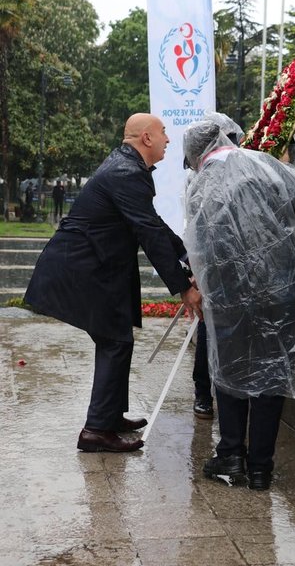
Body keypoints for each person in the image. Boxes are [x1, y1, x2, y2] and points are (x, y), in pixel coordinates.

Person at [25, 113, 203, 453]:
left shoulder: (129, 168)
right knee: (114, 341)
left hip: (95, 266)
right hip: (82, 268)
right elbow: (148, 233)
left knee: (117, 339)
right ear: (146, 139)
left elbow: (154, 224)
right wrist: (184, 286)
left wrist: (188, 258)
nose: (168, 139)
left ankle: (109, 417)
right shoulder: (125, 172)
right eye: (163, 132)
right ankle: (95, 431)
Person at [183, 121, 295, 490]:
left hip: (231, 297)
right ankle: (261, 468)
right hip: (283, 290)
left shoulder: (201, 183)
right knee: (272, 372)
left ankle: (231, 456)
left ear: (196, 154)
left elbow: (200, 244)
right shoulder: (264, 163)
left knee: (231, 371)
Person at [186, 111, 245, 420]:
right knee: (209, 332)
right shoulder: (198, 176)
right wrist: (197, 269)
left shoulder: (244, 170)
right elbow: (197, 227)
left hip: (243, 273)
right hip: (214, 269)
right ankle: (202, 392)